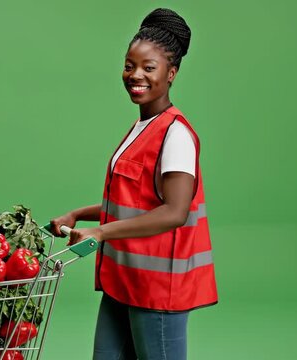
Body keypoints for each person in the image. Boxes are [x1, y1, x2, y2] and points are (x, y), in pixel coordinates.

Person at [49, 8, 218, 360]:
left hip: (157, 291)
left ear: (171, 73)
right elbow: (134, 200)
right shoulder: (142, 127)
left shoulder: (176, 135)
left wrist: (101, 233)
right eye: (129, 65)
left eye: (148, 68)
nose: (135, 75)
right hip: (123, 281)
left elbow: (174, 212)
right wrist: (78, 214)